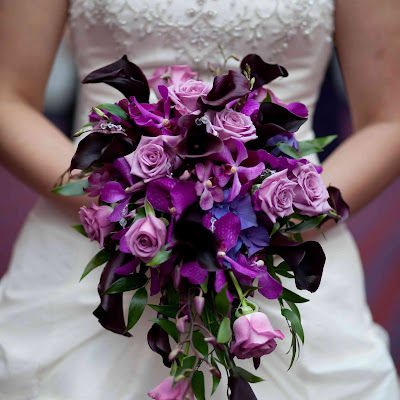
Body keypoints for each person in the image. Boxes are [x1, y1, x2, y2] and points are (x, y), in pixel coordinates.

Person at [0, 1, 399, 399]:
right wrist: (128, 207)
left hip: (276, 246)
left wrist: (277, 214)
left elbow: (390, 119)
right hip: (96, 232)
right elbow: (7, 98)